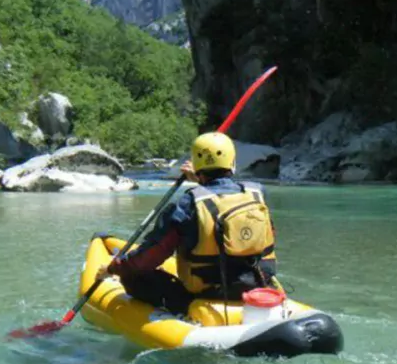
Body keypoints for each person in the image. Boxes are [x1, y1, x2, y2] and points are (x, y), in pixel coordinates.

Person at [95, 131, 279, 316]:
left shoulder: (188, 204)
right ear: (232, 162)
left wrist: (114, 268)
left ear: (197, 165)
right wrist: (202, 181)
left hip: (210, 291)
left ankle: (184, 311)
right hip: (258, 282)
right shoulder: (257, 193)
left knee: (134, 277)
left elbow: (150, 256)